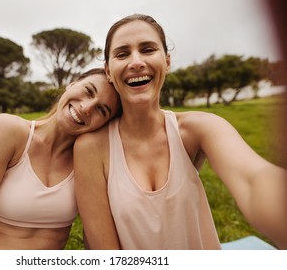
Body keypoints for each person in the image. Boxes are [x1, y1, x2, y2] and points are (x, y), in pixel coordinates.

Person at [74, 14, 287, 250]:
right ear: (108, 70)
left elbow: (253, 180)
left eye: (147, 49)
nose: (136, 62)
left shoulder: (200, 128)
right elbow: (104, 253)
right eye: (122, 54)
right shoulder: (92, 148)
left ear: (167, 62)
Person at [0, 68, 121, 250]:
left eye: (101, 110)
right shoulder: (8, 132)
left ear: (105, 123)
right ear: (71, 85)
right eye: (88, 91)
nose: (87, 108)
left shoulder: (91, 160)